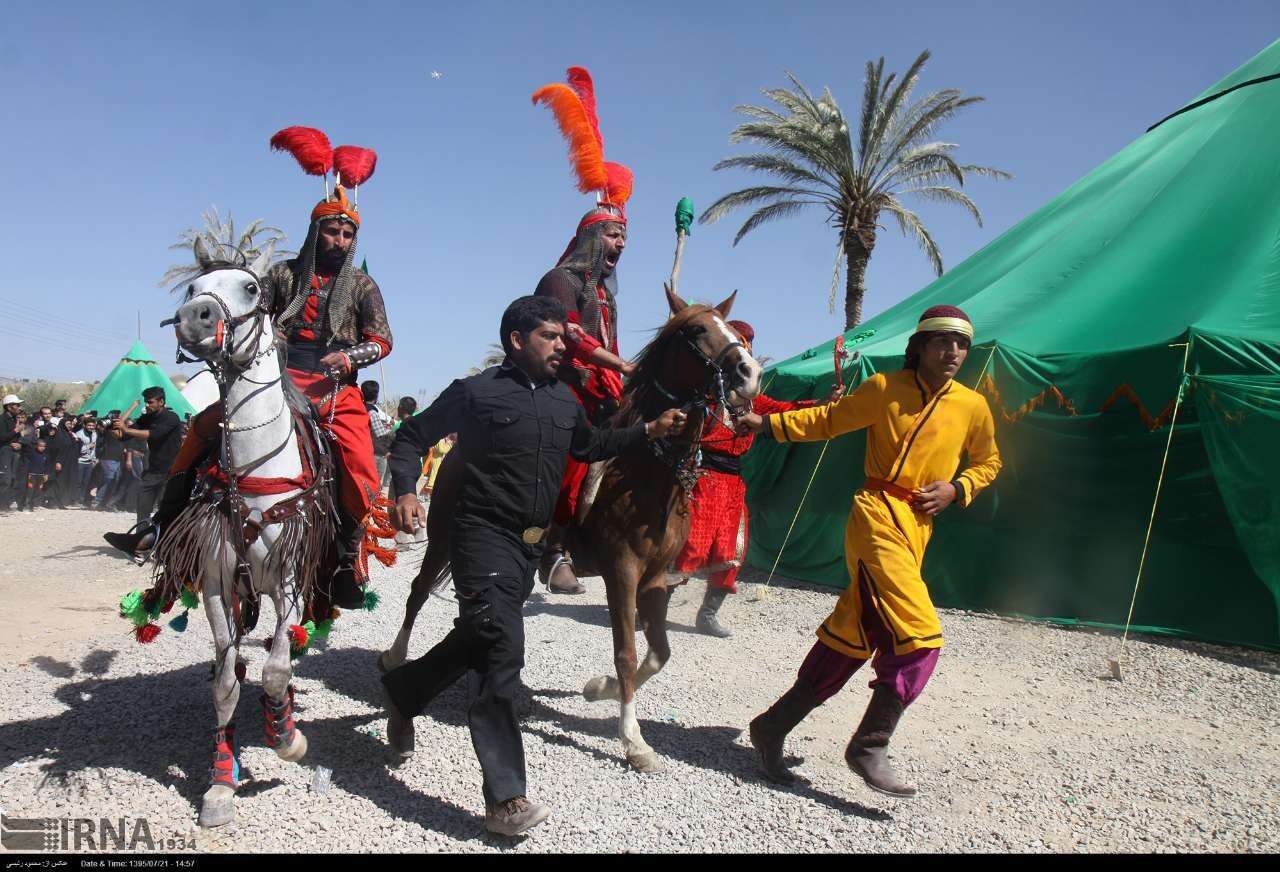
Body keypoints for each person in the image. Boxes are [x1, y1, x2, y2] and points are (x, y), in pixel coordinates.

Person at [380, 296, 687, 836]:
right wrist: (405, 489)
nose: (563, 344)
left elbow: (594, 445)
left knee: (482, 633)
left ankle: (405, 692)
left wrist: (651, 430)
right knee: (502, 645)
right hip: (480, 533)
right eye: (551, 335)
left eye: (564, 335)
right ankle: (506, 798)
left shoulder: (564, 401)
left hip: (528, 546)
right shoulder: (476, 392)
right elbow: (411, 436)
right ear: (517, 341)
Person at [103, 128, 392, 610]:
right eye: (331, 230)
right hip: (274, 380)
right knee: (202, 427)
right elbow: (254, 316)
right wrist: (271, 339)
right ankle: (159, 526)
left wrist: (349, 356)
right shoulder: (280, 274)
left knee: (361, 463)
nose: (339, 239)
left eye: (347, 232)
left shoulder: (363, 285)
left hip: (333, 390)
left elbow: (382, 340)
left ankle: (342, 560)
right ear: (314, 231)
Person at [737, 306, 1002, 798]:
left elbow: (989, 462)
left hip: (918, 529)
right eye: (942, 341)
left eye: (961, 344)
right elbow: (830, 420)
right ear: (919, 346)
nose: (953, 352)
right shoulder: (885, 388)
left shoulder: (973, 405)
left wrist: (958, 489)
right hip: (876, 516)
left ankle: (772, 726)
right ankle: (870, 743)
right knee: (921, 637)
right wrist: (765, 424)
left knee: (852, 636)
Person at [531, 65, 637, 596]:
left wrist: (628, 372)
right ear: (592, 237)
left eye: (624, 237)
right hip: (561, 383)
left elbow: (611, 345)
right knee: (576, 452)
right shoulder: (561, 278)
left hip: (603, 385)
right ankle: (551, 550)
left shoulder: (607, 293)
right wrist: (616, 365)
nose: (620, 245)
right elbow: (566, 335)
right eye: (613, 236)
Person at [672, 320, 843, 638]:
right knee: (691, 545)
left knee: (731, 549)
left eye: (749, 342)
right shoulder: (706, 394)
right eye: (741, 342)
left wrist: (822, 403)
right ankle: (655, 606)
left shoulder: (754, 403)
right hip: (703, 477)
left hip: (734, 483)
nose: (746, 348)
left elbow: (786, 411)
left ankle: (707, 615)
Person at [107, 387, 182, 527]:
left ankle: (164, 543)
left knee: (165, 511)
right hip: (153, 470)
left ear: (161, 402)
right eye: (146, 402)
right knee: (142, 508)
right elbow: (122, 436)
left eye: (150, 402)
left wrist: (126, 428)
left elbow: (153, 434)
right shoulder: (147, 418)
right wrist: (113, 427)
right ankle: (140, 541)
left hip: (171, 471)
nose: (147, 405)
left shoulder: (172, 418)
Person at [363, 380, 394, 492]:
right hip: (376, 453)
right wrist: (390, 431)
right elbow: (381, 435)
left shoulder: (360, 408)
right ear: (376, 395)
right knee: (375, 485)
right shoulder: (372, 412)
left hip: (362, 449)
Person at [95, 411, 127, 511]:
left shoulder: (120, 429)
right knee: (108, 480)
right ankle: (98, 502)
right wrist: (133, 406)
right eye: (117, 418)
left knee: (114, 481)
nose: (119, 420)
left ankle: (106, 503)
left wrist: (134, 406)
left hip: (117, 459)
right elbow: (101, 423)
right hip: (108, 458)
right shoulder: (109, 429)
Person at [0, 395, 24, 512]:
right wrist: (15, 430)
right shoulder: (2, 420)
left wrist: (19, 444)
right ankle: (2, 506)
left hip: (14, 452)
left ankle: (8, 504)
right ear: (9, 407)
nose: (20, 407)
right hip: (4, 452)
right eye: (17, 405)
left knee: (13, 478)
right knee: (5, 479)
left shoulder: (15, 419)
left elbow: (18, 438)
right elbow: (2, 438)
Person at [21, 438, 51, 511]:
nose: (42, 448)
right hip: (32, 475)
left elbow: (47, 465)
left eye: (44, 446)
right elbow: (26, 449)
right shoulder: (32, 453)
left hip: (41, 475)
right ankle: (27, 505)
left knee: (38, 491)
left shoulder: (45, 455)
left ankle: (33, 505)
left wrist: (46, 474)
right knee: (30, 490)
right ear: (37, 446)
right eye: (40, 446)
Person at [73, 417, 98, 506]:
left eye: (93, 425)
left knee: (86, 482)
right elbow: (76, 449)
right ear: (84, 425)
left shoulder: (95, 434)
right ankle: (75, 500)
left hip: (90, 461)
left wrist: (94, 459)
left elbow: (94, 448)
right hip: (80, 461)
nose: (91, 427)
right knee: (78, 482)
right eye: (89, 425)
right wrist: (88, 446)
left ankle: (82, 499)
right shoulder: (79, 434)